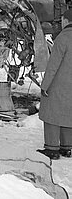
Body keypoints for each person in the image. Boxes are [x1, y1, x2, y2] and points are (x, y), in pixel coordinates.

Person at [38, 9, 72, 159]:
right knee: (68, 115)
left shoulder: (63, 38)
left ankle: (52, 149)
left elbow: (53, 65)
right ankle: (67, 147)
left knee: (51, 115)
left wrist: (45, 85)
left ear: (65, 20)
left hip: (59, 84)